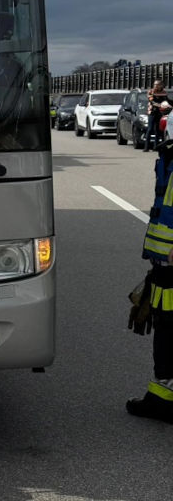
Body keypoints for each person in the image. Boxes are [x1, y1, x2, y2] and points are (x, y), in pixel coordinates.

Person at [127, 136, 173, 422]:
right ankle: (161, 397)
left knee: (169, 330)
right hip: (163, 262)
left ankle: (162, 401)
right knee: (165, 327)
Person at [146, 80, 169, 152]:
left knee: (158, 130)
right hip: (152, 112)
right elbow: (151, 101)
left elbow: (166, 100)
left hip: (160, 112)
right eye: (154, 84)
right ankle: (146, 147)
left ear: (161, 85)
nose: (155, 86)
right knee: (150, 129)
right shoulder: (150, 91)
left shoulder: (164, 92)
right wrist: (160, 105)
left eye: (157, 84)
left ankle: (155, 147)